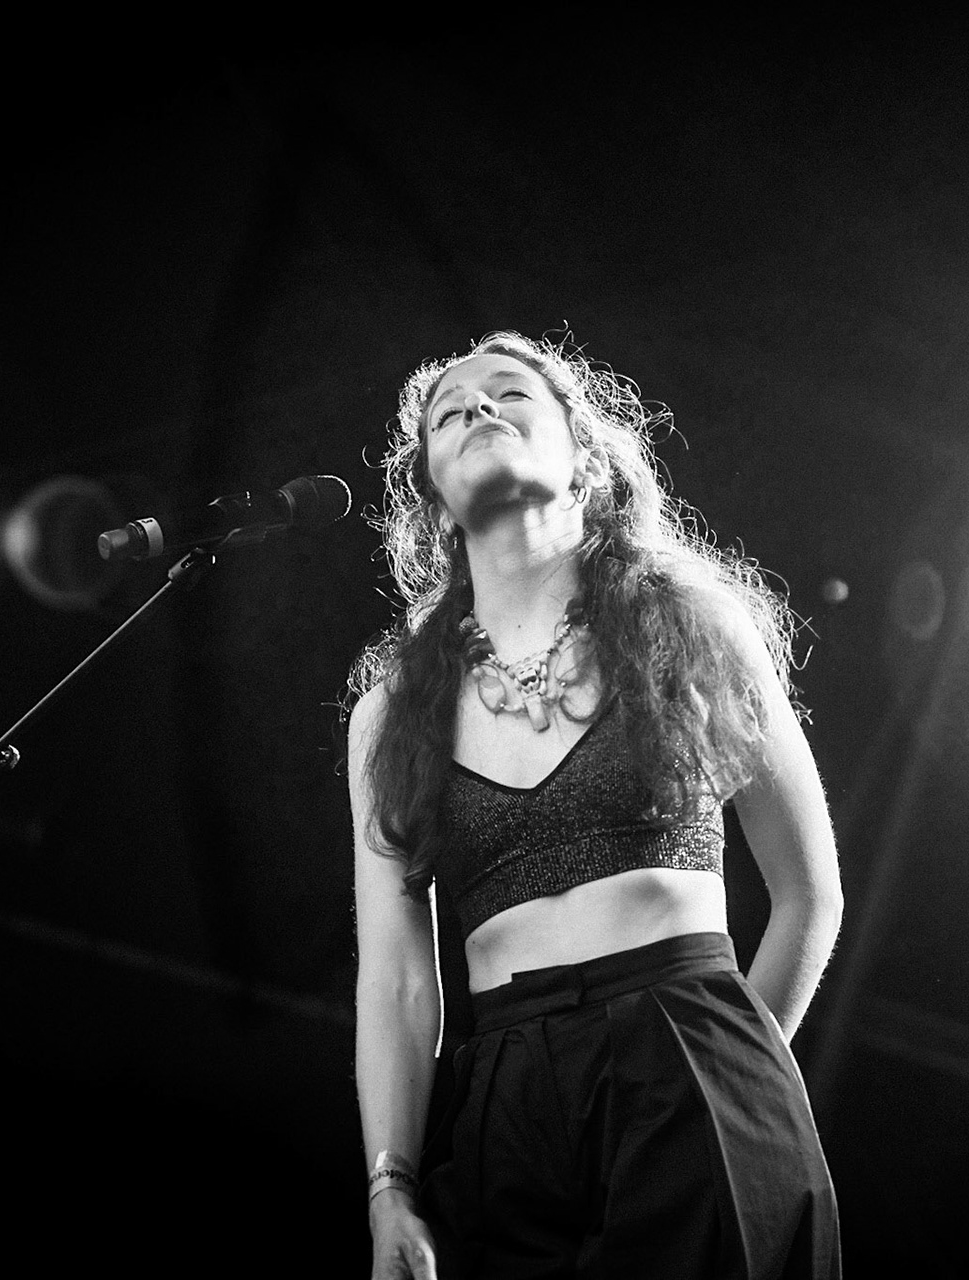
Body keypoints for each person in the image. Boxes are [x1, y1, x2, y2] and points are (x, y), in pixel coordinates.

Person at [346, 330, 843, 1279]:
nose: (479, 410)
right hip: (504, 1101)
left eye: (508, 394)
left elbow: (809, 894)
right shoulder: (390, 712)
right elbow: (399, 984)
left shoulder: (691, 627)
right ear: (434, 499)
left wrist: (733, 1078)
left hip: (691, 1041)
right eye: (450, 412)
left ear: (584, 457)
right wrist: (390, 1191)